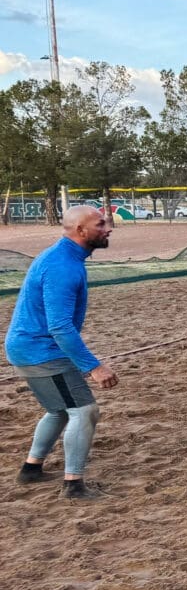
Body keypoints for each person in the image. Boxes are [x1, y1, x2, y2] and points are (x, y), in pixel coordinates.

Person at [6, 205, 119, 500]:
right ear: (80, 231)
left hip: (29, 348)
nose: (108, 228)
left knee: (59, 409)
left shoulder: (65, 257)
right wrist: (93, 366)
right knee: (84, 409)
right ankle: (74, 486)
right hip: (40, 351)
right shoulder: (61, 267)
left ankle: (31, 470)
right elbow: (60, 327)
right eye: (100, 223)